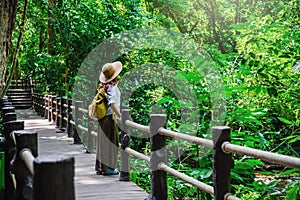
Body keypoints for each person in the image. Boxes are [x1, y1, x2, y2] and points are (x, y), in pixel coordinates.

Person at [95, 61, 122, 175]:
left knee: (102, 142)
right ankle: (108, 168)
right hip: (109, 117)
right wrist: (119, 115)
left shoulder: (103, 86)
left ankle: (101, 167)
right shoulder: (112, 87)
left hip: (102, 117)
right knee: (111, 142)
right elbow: (112, 103)